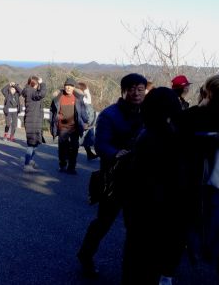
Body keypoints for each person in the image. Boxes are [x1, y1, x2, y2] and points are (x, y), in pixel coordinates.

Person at [77, 73, 147, 277]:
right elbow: (101, 144)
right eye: (132, 89)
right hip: (114, 178)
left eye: (140, 89)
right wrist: (117, 154)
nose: (136, 93)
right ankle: (86, 254)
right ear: (123, 90)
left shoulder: (148, 113)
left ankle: (132, 268)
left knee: (135, 225)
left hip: (140, 179)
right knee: (104, 221)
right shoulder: (110, 114)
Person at [181, 75, 219, 285]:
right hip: (201, 182)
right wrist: (216, 140)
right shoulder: (191, 117)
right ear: (208, 92)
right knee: (213, 229)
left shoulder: (195, 115)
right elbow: (183, 147)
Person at [122, 87, 187, 285]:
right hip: (163, 216)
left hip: (139, 214)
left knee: (134, 266)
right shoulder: (173, 139)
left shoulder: (146, 136)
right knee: (150, 268)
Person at [50, 78, 89, 174]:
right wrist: (53, 122)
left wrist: (86, 121)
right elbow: (52, 111)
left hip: (74, 127)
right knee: (62, 148)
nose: (68, 88)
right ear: (64, 86)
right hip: (62, 127)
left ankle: (72, 167)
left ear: (73, 87)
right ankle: (62, 165)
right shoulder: (58, 98)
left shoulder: (78, 98)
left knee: (74, 148)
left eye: (71, 86)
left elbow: (83, 111)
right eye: (67, 86)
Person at [21, 75, 46, 172]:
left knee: (35, 144)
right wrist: (42, 83)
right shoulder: (31, 91)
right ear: (35, 84)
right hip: (33, 121)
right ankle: (27, 165)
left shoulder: (28, 91)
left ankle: (30, 160)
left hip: (34, 120)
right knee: (31, 144)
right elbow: (42, 94)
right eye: (37, 84)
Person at [78, 82, 98, 160]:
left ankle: (89, 154)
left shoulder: (84, 98)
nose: (87, 90)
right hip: (85, 123)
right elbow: (87, 111)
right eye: (86, 88)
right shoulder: (83, 99)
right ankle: (67, 156)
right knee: (79, 140)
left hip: (88, 123)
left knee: (87, 139)